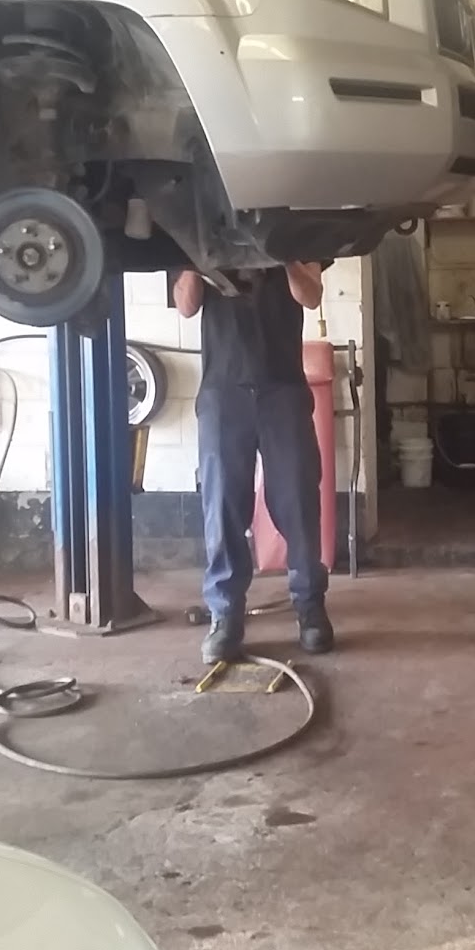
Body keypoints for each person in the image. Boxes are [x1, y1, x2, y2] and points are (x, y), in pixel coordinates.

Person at [173, 263, 334, 665]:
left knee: (298, 499)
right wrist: (196, 256)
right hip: (223, 390)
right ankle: (225, 615)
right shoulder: (198, 235)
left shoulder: (289, 234)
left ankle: (310, 606)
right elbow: (186, 306)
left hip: (283, 389)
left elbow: (310, 296)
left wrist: (283, 252)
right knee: (222, 503)